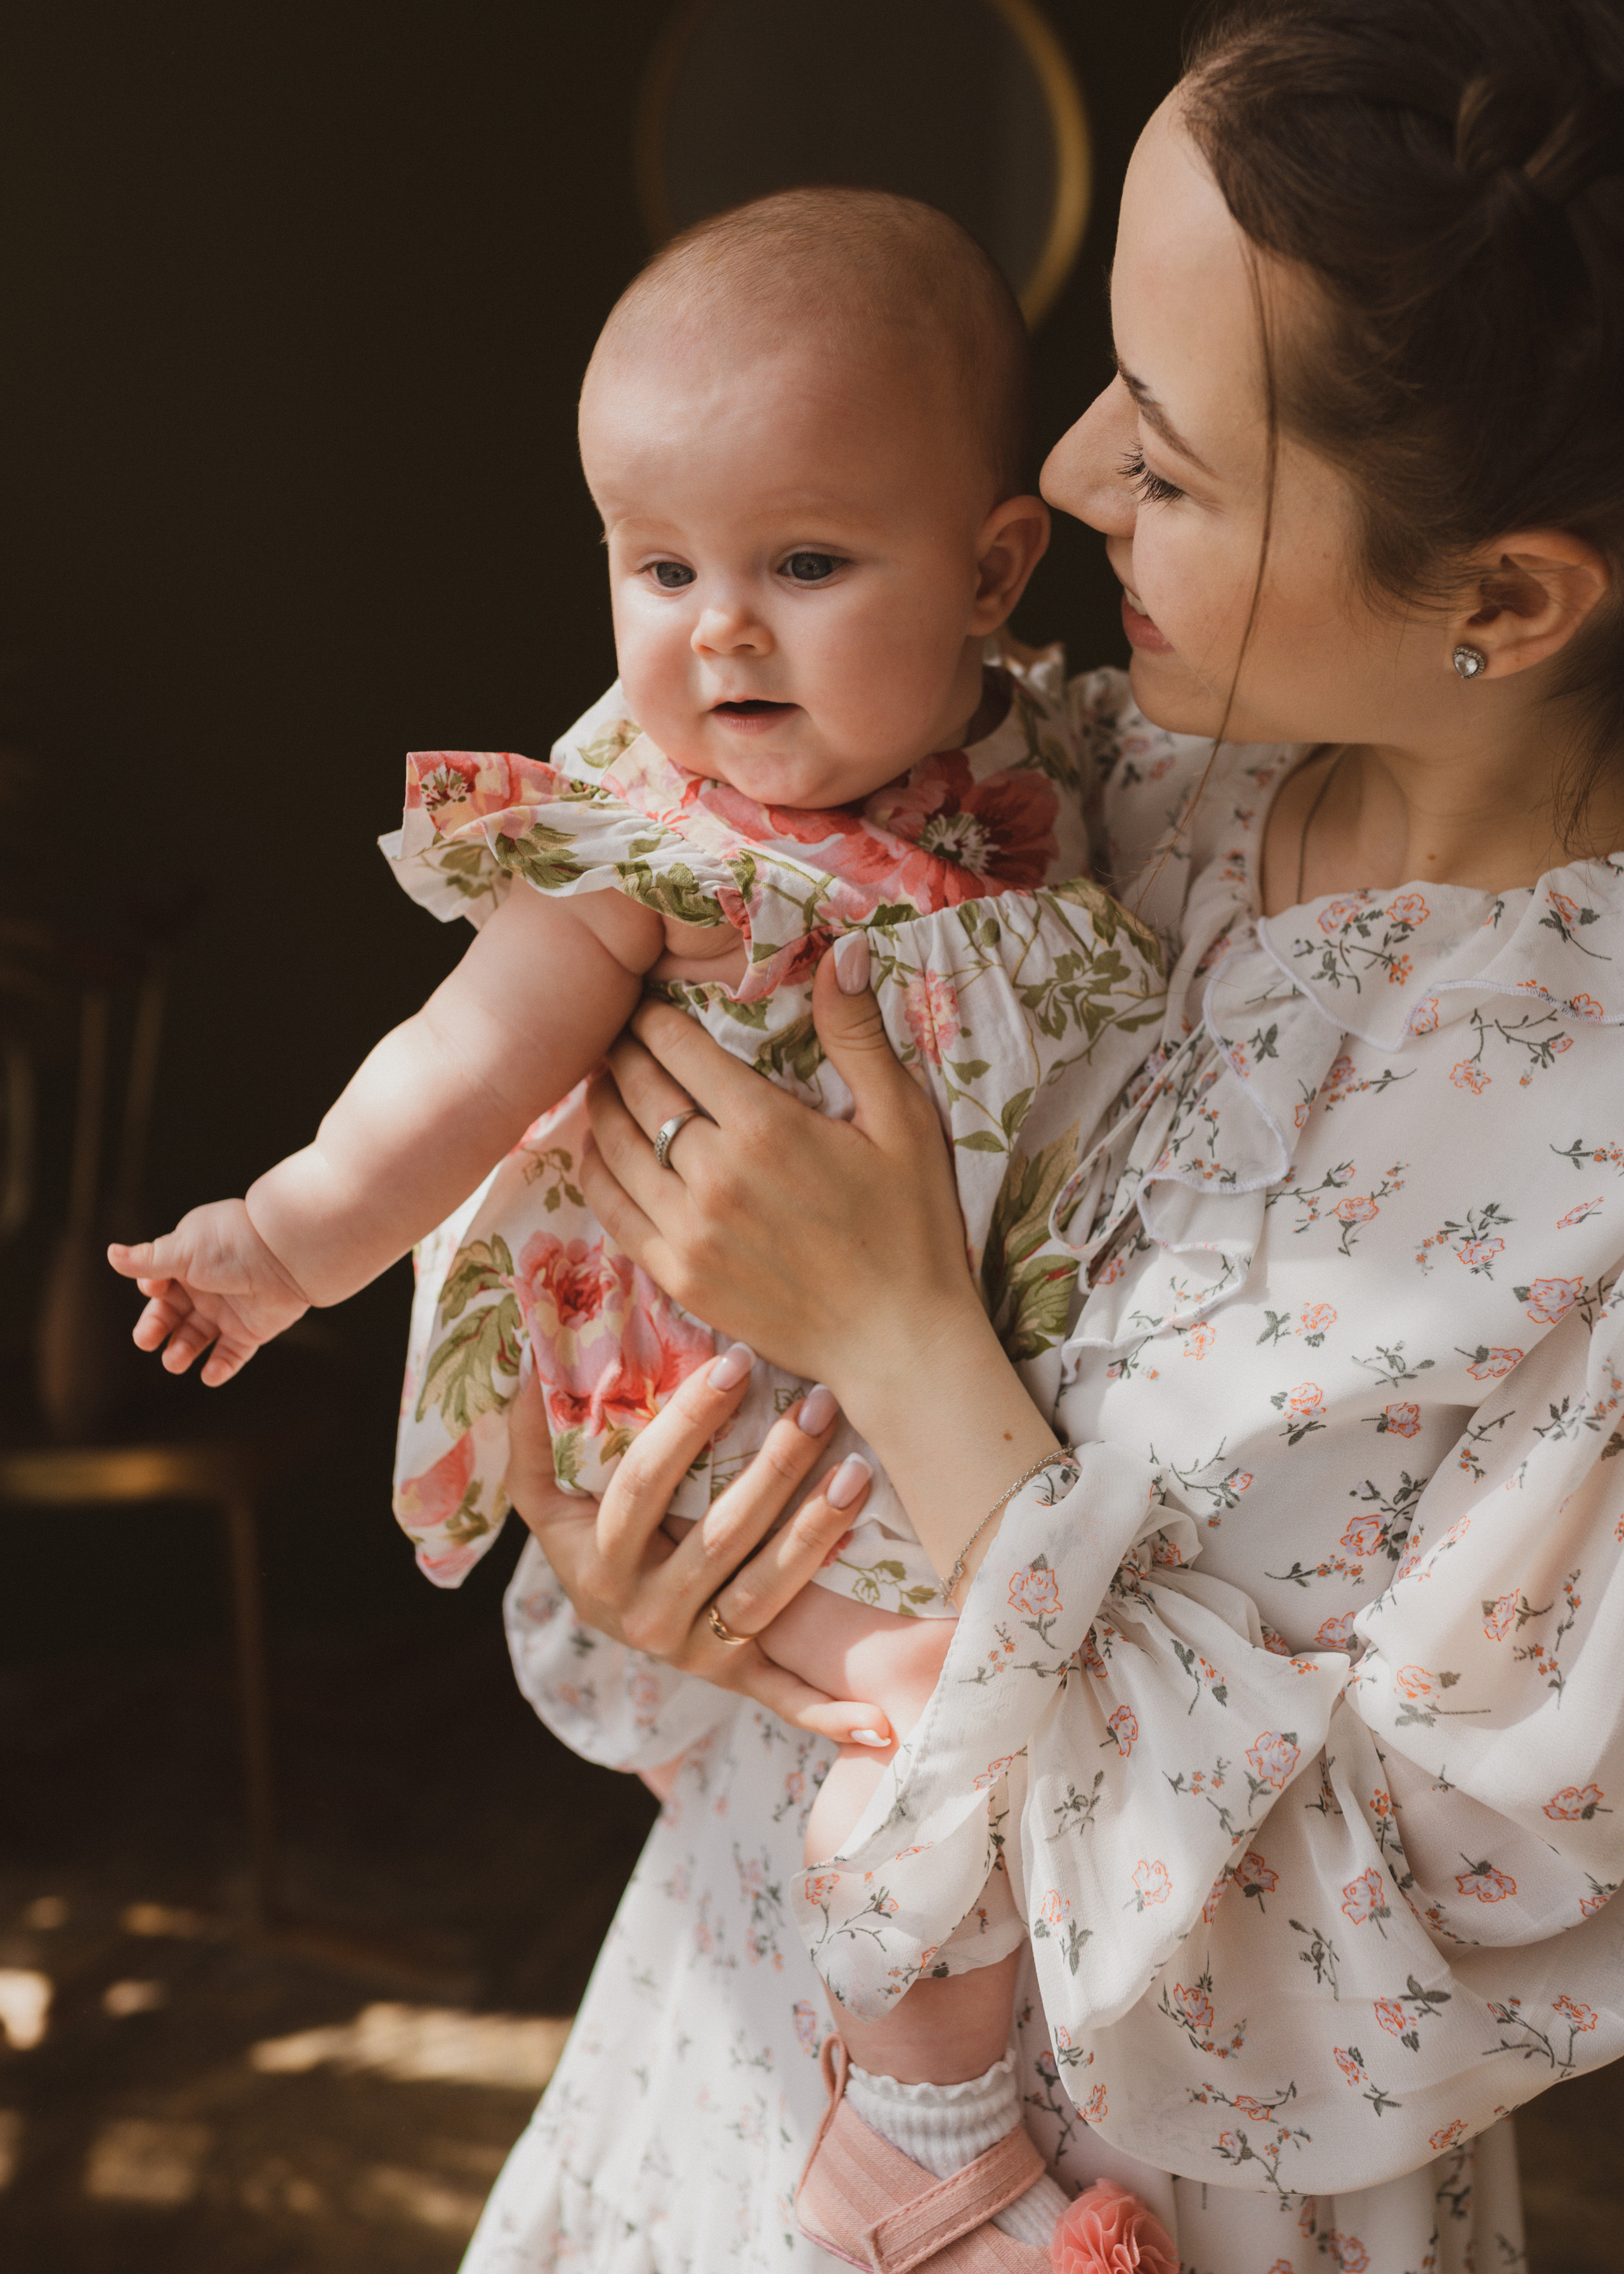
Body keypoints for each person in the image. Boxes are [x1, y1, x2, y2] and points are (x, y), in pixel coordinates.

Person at [458, 1, 1624, 2267]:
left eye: (1173, 463)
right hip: (710, 2071)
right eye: (1105, 381)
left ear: (1505, 597)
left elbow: (1401, 1963)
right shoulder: (1046, 790)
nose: (1070, 478)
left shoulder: (1588, 1151)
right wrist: (644, 1546)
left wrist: (909, 1347)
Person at [107, 190, 1180, 2262]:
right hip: (695, 1391)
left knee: (970, 1721)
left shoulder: (1044, 764)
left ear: (993, 569)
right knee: (953, 1716)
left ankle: (912, 2112)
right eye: (659, 564)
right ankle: (927, 2155)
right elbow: (464, 1061)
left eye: (804, 562)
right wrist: (284, 1233)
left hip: (894, 1370)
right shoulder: (645, 831)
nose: (719, 631)